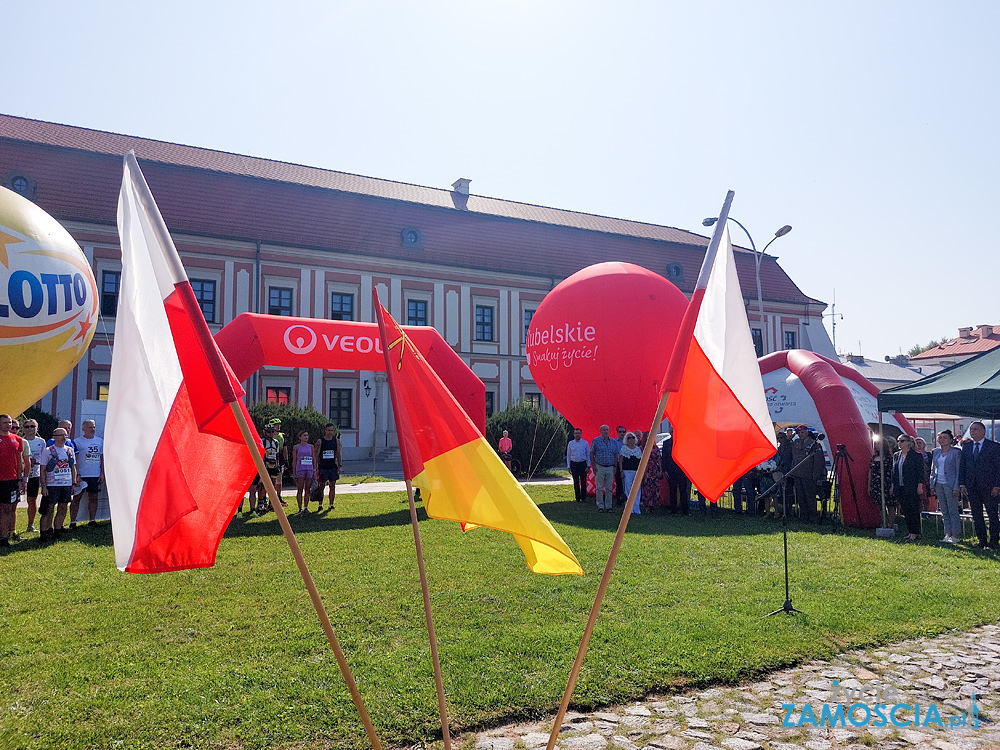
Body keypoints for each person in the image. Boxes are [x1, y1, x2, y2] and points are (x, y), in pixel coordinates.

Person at [959, 421, 1000, 550]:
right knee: (977, 515)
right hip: (972, 486)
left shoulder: (994, 447)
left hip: (989, 486)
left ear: (983, 431)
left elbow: (998, 468)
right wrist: (962, 483)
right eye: (971, 429)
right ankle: (981, 541)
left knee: (992, 515)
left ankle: (994, 542)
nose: (972, 432)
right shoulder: (966, 446)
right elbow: (963, 466)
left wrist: (997, 485)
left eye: (975, 429)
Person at [39, 427, 78, 543]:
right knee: (49, 508)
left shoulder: (70, 450)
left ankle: (58, 530)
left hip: (66, 484)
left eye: (65, 435)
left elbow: (73, 468)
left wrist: (74, 483)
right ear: (54, 437)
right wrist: (44, 486)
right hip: (52, 484)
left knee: (63, 507)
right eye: (61, 435)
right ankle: (45, 531)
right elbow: (43, 469)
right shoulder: (48, 450)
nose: (64, 437)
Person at [0, 415, 29, 547]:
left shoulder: (17, 439)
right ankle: (3, 536)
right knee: (3, 509)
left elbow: (19, 461)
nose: (8, 425)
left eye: (10, 422)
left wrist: (21, 479)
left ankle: (10, 533)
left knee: (11, 507)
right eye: (5, 422)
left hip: (12, 480)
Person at [930, 429, 963, 543]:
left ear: (950, 440)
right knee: (944, 510)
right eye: (940, 437)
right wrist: (932, 484)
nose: (942, 440)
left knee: (953, 509)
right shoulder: (936, 452)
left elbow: (958, 470)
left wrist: (956, 487)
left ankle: (956, 534)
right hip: (939, 483)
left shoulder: (956, 452)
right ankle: (947, 533)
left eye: (944, 438)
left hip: (951, 484)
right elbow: (933, 469)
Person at [891, 434, 925, 541]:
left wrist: (920, 486)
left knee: (913, 509)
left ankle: (915, 532)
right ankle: (910, 531)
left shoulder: (916, 456)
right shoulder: (896, 455)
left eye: (902, 441)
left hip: (912, 486)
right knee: (905, 510)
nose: (899, 443)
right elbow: (894, 472)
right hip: (900, 486)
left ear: (909, 443)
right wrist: (893, 485)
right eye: (898, 441)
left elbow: (920, 472)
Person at [71, 419, 104, 527]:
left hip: (95, 475)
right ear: (83, 429)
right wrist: (76, 475)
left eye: (93, 427)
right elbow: (74, 459)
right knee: (77, 498)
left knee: (93, 497)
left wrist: (102, 473)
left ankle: (92, 520)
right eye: (90, 427)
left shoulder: (100, 441)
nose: (92, 429)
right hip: (82, 475)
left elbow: (102, 458)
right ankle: (73, 521)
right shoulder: (77, 441)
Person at [788, 425, 825, 522]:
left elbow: (819, 461)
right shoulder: (796, 443)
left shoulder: (814, 444)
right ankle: (803, 515)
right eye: (799, 433)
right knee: (800, 496)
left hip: (808, 474)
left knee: (809, 496)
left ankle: (813, 516)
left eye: (802, 432)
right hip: (797, 473)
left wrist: (815, 475)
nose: (800, 434)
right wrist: (789, 438)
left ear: (807, 432)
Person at [21, 419, 45, 533]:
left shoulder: (41, 442)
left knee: (32, 500)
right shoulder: (20, 440)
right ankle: (11, 527)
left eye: (32, 426)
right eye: (27, 427)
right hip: (20, 475)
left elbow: (44, 459)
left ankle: (30, 524)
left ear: (37, 428)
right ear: (23, 429)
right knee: (13, 501)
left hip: (35, 475)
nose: (29, 429)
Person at [590, 425, 618, 513]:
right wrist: (593, 465)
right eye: (604, 430)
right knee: (599, 488)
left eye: (607, 430)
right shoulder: (596, 441)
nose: (606, 431)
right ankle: (600, 506)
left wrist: (615, 466)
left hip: (610, 467)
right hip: (599, 467)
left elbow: (615, 454)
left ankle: (609, 506)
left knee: (609, 488)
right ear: (600, 431)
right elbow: (592, 453)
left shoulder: (613, 442)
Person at [315, 423, 342, 512]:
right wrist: (316, 467)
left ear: (334, 431)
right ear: (325, 431)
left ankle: (331, 504)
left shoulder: (336, 441)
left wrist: (339, 466)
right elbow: (316, 454)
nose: (330, 432)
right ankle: (320, 504)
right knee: (322, 485)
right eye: (328, 430)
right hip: (323, 466)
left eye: (331, 430)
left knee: (332, 486)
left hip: (332, 466)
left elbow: (338, 453)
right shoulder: (321, 441)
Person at [661, 434, 690, 515]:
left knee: (683, 490)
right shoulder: (666, 443)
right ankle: (673, 509)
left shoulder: (683, 442)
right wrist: (664, 470)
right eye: (672, 431)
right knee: (672, 490)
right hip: (670, 470)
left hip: (681, 470)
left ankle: (685, 509)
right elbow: (664, 458)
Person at [869, 436, 896, 525]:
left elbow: (893, 472)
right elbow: (870, 471)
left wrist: (892, 485)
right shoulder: (874, 457)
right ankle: (884, 522)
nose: (876, 446)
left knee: (890, 504)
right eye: (875, 444)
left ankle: (891, 524)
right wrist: (869, 485)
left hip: (887, 483)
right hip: (876, 483)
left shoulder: (890, 458)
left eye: (878, 444)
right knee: (880, 504)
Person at [619, 432, 643, 514]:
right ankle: (630, 509)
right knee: (628, 490)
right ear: (626, 439)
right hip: (627, 471)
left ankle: (636, 508)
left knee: (637, 489)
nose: (631, 439)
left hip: (636, 472)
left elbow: (641, 461)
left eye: (632, 437)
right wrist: (621, 471)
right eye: (629, 438)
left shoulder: (637, 449)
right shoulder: (624, 449)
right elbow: (621, 460)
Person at [292, 431, 315, 514]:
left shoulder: (311, 446)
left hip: (309, 469)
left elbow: (313, 459)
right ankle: (300, 507)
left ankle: (306, 507)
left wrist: (315, 470)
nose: (306, 437)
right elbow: (294, 460)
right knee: (300, 488)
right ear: (300, 437)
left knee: (307, 488)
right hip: (300, 469)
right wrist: (294, 471)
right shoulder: (296, 447)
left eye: (307, 435)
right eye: (304, 435)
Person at [566, 427, 590, 502]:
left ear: (581, 434)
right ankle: (577, 498)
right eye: (576, 433)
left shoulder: (585, 443)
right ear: (573, 434)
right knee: (575, 482)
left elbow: (588, 455)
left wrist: (588, 465)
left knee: (583, 482)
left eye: (579, 433)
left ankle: (583, 498)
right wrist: (568, 466)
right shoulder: (570, 443)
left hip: (583, 464)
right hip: (574, 464)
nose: (577, 435)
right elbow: (568, 455)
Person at [640, 435, 664, 510]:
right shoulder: (641, 448)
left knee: (655, 487)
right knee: (646, 488)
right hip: (645, 470)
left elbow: (659, 459)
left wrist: (660, 470)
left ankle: (655, 504)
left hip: (654, 470)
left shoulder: (655, 448)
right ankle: (647, 505)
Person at [613, 426, 627, 506]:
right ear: (617, 433)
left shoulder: (627, 441)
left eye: (623, 432)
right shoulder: (614, 442)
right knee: (619, 483)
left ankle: (626, 500)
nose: (622, 433)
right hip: (618, 463)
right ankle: (618, 500)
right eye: (620, 432)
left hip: (626, 464)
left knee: (626, 483)